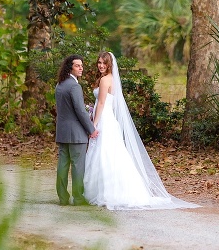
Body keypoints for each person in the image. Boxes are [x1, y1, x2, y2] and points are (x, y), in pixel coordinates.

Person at [83, 52, 199, 210]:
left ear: (110, 64)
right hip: (109, 119)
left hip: (104, 120)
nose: (101, 66)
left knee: (104, 153)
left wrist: (93, 125)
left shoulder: (104, 80)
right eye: (99, 63)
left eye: (104, 63)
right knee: (112, 154)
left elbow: (102, 103)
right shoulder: (112, 80)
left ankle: (107, 192)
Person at [54, 54, 98, 206]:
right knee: (78, 166)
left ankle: (63, 197)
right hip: (76, 133)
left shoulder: (59, 84)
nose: (81, 68)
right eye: (77, 66)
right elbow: (80, 110)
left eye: (81, 65)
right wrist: (91, 129)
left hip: (62, 131)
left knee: (63, 165)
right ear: (70, 68)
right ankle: (78, 198)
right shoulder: (74, 86)